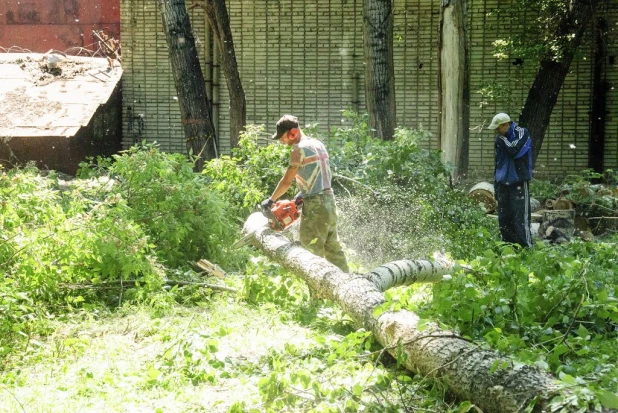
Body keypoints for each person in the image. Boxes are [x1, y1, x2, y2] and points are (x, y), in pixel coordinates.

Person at [262, 115, 350, 272]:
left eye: (282, 137)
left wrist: (271, 200)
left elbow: (286, 182)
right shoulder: (317, 144)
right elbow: (322, 174)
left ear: (293, 133)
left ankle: (315, 295)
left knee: (310, 251)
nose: (282, 141)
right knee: (334, 250)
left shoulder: (298, 149)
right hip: (329, 201)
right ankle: (350, 285)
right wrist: (302, 194)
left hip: (315, 206)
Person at [488, 112, 533, 248]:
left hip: (518, 182)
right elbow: (498, 164)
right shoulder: (500, 139)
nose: (496, 131)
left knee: (520, 218)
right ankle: (508, 248)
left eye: (498, 128)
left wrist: (503, 140)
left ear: (506, 125)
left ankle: (526, 249)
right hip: (503, 184)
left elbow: (515, 151)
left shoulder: (522, 133)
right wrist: (496, 184)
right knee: (504, 219)